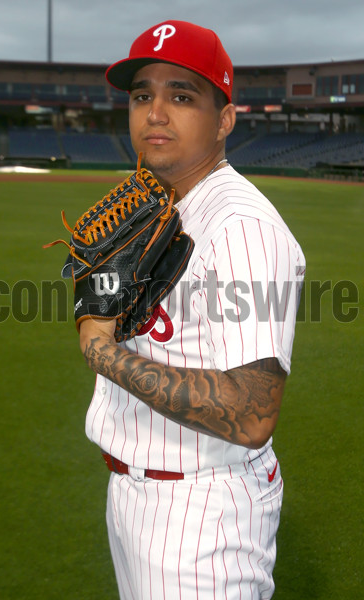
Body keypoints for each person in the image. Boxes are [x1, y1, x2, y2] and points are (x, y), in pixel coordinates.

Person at [79, 20, 306, 600]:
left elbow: (252, 413)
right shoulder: (159, 206)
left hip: (202, 516)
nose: (156, 112)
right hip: (136, 494)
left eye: (182, 95)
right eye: (142, 95)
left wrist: (102, 351)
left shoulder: (241, 229)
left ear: (225, 119)